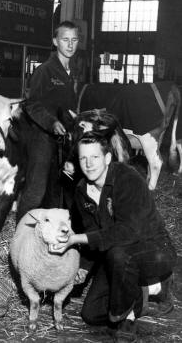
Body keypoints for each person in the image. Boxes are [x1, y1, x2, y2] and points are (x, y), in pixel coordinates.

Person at [50, 132, 177, 342]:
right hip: (118, 259)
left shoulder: (127, 178)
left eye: (95, 157)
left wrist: (77, 239)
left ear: (108, 158)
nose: (89, 164)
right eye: (83, 158)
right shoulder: (82, 191)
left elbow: (127, 232)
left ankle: (126, 320)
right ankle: (150, 290)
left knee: (119, 253)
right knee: (91, 314)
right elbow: (95, 235)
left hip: (154, 251)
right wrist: (83, 267)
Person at [21, 20, 79, 211]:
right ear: (55, 41)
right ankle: (22, 234)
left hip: (62, 141)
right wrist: (51, 122)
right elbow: (31, 104)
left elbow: (67, 109)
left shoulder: (72, 73)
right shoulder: (44, 71)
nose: (70, 45)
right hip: (42, 137)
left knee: (55, 190)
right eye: (65, 39)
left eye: (74, 40)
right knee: (36, 191)